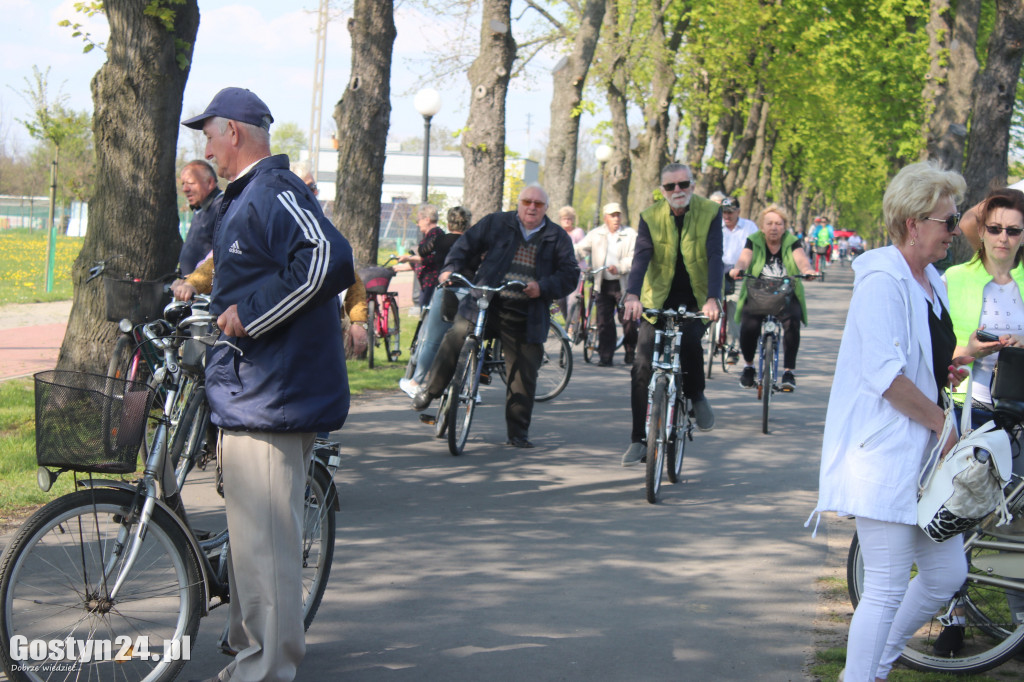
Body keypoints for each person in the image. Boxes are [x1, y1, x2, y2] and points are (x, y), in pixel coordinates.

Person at [181, 86, 355, 682]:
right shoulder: (245, 197)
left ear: (234, 131)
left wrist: (250, 314)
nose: (205, 147)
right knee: (252, 547)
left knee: (268, 552)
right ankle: (252, 653)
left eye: (208, 134)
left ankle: (267, 670)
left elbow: (329, 259)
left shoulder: (274, 190)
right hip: (252, 393)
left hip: (274, 397)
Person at [811, 160, 971, 682]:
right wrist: (944, 425)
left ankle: (875, 666)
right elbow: (885, 375)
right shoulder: (882, 280)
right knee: (884, 585)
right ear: (913, 224)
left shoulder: (932, 281)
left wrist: (945, 365)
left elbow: (915, 360)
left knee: (946, 573)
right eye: (948, 220)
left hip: (920, 456)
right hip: (884, 454)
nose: (955, 229)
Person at [410, 184, 579, 449]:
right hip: (485, 301)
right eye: (527, 201)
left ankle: (518, 432)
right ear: (519, 203)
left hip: (526, 311)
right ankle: (430, 391)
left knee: (524, 369)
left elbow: (570, 274)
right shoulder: (496, 223)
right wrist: (450, 269)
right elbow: (464, 246)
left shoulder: (557, 237)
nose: (532, 207)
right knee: (455, 336)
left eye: (538, 204)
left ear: (546, 208)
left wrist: (543, 287)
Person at [621, 163, 723, 467]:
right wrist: (633, 294)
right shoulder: (649, 217)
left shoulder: (710, 212)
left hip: (696, 297)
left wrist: (713, 298)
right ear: (662, 190)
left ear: (692, 184)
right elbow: (641, 257)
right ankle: (639, 439)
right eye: (670, 187)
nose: (677, 191)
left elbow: (715, 256)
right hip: (658, 297)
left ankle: (697, 395)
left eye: (683, 184)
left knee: (690, 343)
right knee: (641, 365)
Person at [729, 204, 816, 392]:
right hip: (757, 293)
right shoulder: (754, 239)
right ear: (762, 226)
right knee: (748, 326)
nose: (774, 227)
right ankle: (749, 367)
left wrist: (807, 270)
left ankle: (788, 372)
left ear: (784, 226)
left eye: (778, 223)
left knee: (792, 323)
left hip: (785, 293)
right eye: (769, 223)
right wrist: (739, 268)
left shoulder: (792, 241)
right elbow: (745, 258)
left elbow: (801, 259)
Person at [399, 206, 472, 398]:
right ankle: (465, 387)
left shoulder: (441, 240)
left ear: (448, 223)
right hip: (469, 292)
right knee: (464, 341)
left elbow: (423, 252)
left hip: (447, 290)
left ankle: (416, 381)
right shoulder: (473, 241)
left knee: (432, 340)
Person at [575, 202, 638, 365]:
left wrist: (620, 267)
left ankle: (630, 350)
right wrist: (569, 258)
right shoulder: (596, 234)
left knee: (629, 321)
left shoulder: (630, 234)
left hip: (623, 284)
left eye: (618, 215)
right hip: (602, 283)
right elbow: (580, 249)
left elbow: (634, 257)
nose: (616, 218)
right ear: (605, 218)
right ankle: (605, 355)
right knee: (604, 321)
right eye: (612, 215)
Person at [719, 196, 758, 363]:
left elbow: (756, 249)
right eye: (724, 212)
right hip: (718, 270)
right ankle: (710, 337)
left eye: (730, 212)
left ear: (738, 212)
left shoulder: (749, 227)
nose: (727, 215)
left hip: (740, 271)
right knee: (710, 302)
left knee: (735, 305)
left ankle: (733, 346)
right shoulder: (715, 226)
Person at [177, 159, 222, 276]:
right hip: (188, 289)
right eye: (183, 184)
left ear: (210, 182)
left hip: (206, 291)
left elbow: (222, 255)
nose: (185, 189)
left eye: (191, 183)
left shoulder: (222, 208)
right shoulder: (200, 208)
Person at [398, 204, 443, 309]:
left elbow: (431, 259)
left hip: (432, 282)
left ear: (427, 219)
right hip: (426, 282)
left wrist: (409, 258)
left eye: (419, 220)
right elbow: (421, 262)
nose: (418, 224)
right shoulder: (429, 236)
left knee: (426, 312)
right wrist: (398, 267)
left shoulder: (436, 235)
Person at [557, 205, 586, 324]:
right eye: (564, 218)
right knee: (560, 300)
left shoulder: (578, 233)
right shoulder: (558, 233)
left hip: (576, 270)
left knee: (572, 300)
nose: (567, 221)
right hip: (560, 270)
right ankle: (569, 322)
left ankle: (572, 326)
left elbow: (583, 249)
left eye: (569, 218)